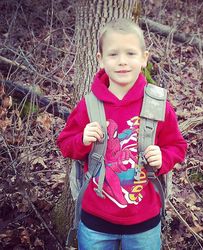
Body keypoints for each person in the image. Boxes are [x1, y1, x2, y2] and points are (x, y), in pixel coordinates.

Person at [57, 18, 187, 250]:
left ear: (144, 58)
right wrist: (82, 140)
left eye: (130, 53)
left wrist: (163, 158)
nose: (122, 62)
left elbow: (177, 146)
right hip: (96, 221)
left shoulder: (157, 105)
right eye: (113, 54)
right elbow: (65, 143)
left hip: (144, 222)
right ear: (100, 60)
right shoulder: (89, 105)